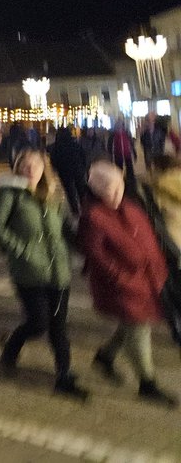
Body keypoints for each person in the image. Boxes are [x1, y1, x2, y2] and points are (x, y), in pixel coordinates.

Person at [0, 148, 87, 399]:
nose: (31, 170)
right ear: (17, 168)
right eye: (25, 165)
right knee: (38, 323)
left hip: (59, 270)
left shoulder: (53, 195)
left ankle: (64, 375)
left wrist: (87, 249)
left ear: (44, 169)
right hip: (28, 271)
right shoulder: (9, 194)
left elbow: (65, 229)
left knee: (58, 327)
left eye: (36, 165)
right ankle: (12, 345)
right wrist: (22, 249)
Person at [79, 161, 176, 406]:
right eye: (109, 189)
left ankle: (105, 357)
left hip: (147, 278)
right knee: (138, 327)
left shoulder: (130, 208)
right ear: (97, 191)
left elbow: (149, 239)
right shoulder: (94, 216)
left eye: (118, 187)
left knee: (133, 323)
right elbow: (96, 255)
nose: (116, 193)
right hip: (121, 284)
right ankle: (147, 383)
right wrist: (121, 277)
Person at [49, 124, 88, 216]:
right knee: (81, 190)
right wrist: (83, 167)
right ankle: (85, 207)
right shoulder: (75, 144)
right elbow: (83, 156)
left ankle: (75, 210)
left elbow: (53, 160)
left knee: (70, 192)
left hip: (64, 172)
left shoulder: (56, 147)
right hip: (77, 170)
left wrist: (56, 169)